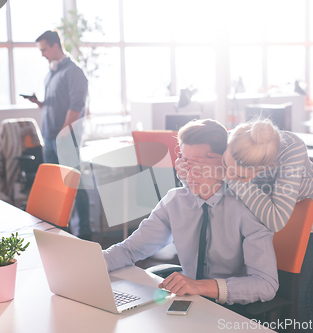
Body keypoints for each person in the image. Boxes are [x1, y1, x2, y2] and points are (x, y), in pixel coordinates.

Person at [176, 119, 313, 332]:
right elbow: (212, 190)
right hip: (269, 208)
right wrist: (188, 174)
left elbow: (276, 219)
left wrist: (229, 176)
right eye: (226, 164)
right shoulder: (241, 140)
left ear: (266, 168)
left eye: (241, 176)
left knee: (300, 296)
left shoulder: (292, 152)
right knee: (286, 291)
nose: (230, 175)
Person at [103, 119, 278, 309]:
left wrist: (200, 286)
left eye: (199, 164)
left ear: (223, 162)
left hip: (230, 308)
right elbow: (130, 250)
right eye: (185, 162)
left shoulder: (247, 209)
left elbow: (266, 284)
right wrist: (88, 265)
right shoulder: (175, 201)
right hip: (189, 303)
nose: (190, 172)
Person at [23, 29, 91, 240]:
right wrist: (39, 103)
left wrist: (63, 134)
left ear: (55, 46)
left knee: (74, 186)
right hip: (50, 138)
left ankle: (84, 234)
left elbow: (76, 106)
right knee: (55, 187)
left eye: (44, 49)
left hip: (65, 139)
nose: (42, 54)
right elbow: (54, 104)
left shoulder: (74, 72)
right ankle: (60, 233)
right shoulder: (51, 73)